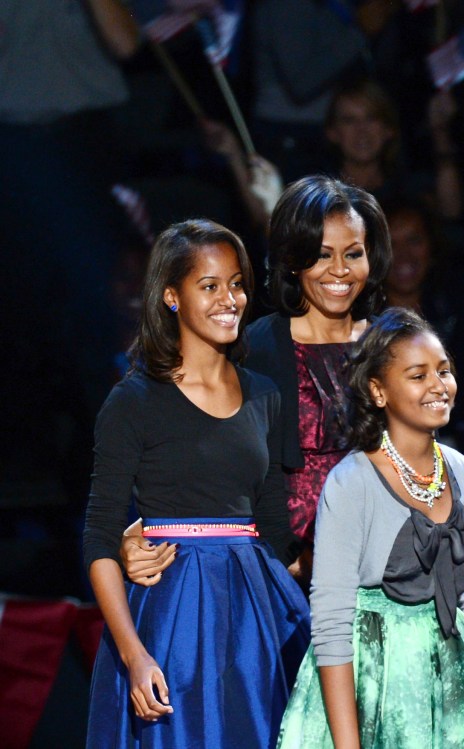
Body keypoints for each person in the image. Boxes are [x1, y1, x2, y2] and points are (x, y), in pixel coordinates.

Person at [83, 220, 311, 748]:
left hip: (255, 618)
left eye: (236, 284)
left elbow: (276, 534)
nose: (229, 299)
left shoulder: (265, 395)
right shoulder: (133, 401)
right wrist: (134, 655)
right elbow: (99, 534)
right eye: (209, 286)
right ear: (171, 296)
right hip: (173, 617)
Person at [119, 177, 392, 591]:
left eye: (353, 253)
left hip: (385, 562)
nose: (340, 270)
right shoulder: (256, 348)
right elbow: (205, 455)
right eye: (321, 255)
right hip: (281, 573)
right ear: (293, 259)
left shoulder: (393, 347)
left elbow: (420, 457)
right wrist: (141, 528)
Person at [277, 308, 464, 748]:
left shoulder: (459, 470)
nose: (438, 385)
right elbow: (332, 623)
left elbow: (457, 604)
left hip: (451, 688)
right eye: (418, 375)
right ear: (378, 390)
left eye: (444, 371)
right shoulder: (352, 480)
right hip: (375, 689)